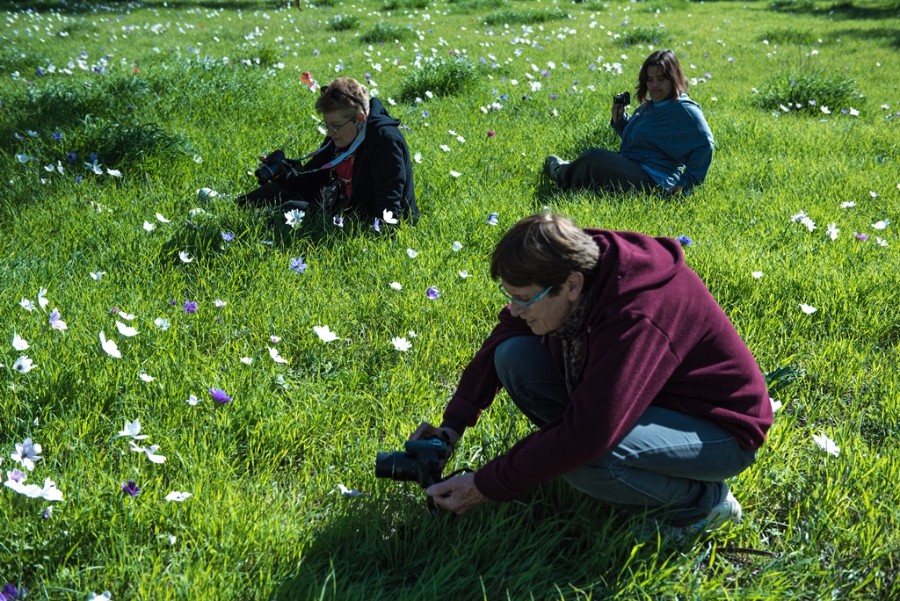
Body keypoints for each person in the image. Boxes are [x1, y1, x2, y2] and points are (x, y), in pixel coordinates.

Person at [412, 213, 773, 538]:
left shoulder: (637, 313)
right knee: (512, 355)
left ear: (571, 285)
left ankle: (704, 505)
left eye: (523, 299)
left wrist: (486, 484)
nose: (515, 310)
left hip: (718, 430)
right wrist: (452, 426)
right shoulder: (573, 268)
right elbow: (505, 334)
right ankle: (589, 465)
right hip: (644, 404)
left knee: (588, 458)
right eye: (510, 297)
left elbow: (591, 433)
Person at [238, 76, 418, 223]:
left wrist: (381, 236)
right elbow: (312, 178)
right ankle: (234, 206)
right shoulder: (341, 133)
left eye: (336, 126)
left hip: (367, 216)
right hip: (340, 202)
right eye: (327, 125)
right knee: (277, 189)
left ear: (360, 118)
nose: (330, 133)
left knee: (291, 208)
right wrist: (282, 173)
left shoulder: (384, 140)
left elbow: (389, 198)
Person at [544, 50, 714, 196]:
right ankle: (580, 180)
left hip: (655, 180)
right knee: (597, 161)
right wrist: (620, 121)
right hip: (634, 166)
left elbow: (705, 144)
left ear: (674, 79)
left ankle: (560, 172)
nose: (654, 85)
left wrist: (687, 182)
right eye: (650, 79)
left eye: (661, 79)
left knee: (594, 158)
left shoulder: (683, 109)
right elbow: (639, 141)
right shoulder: (651, 105)